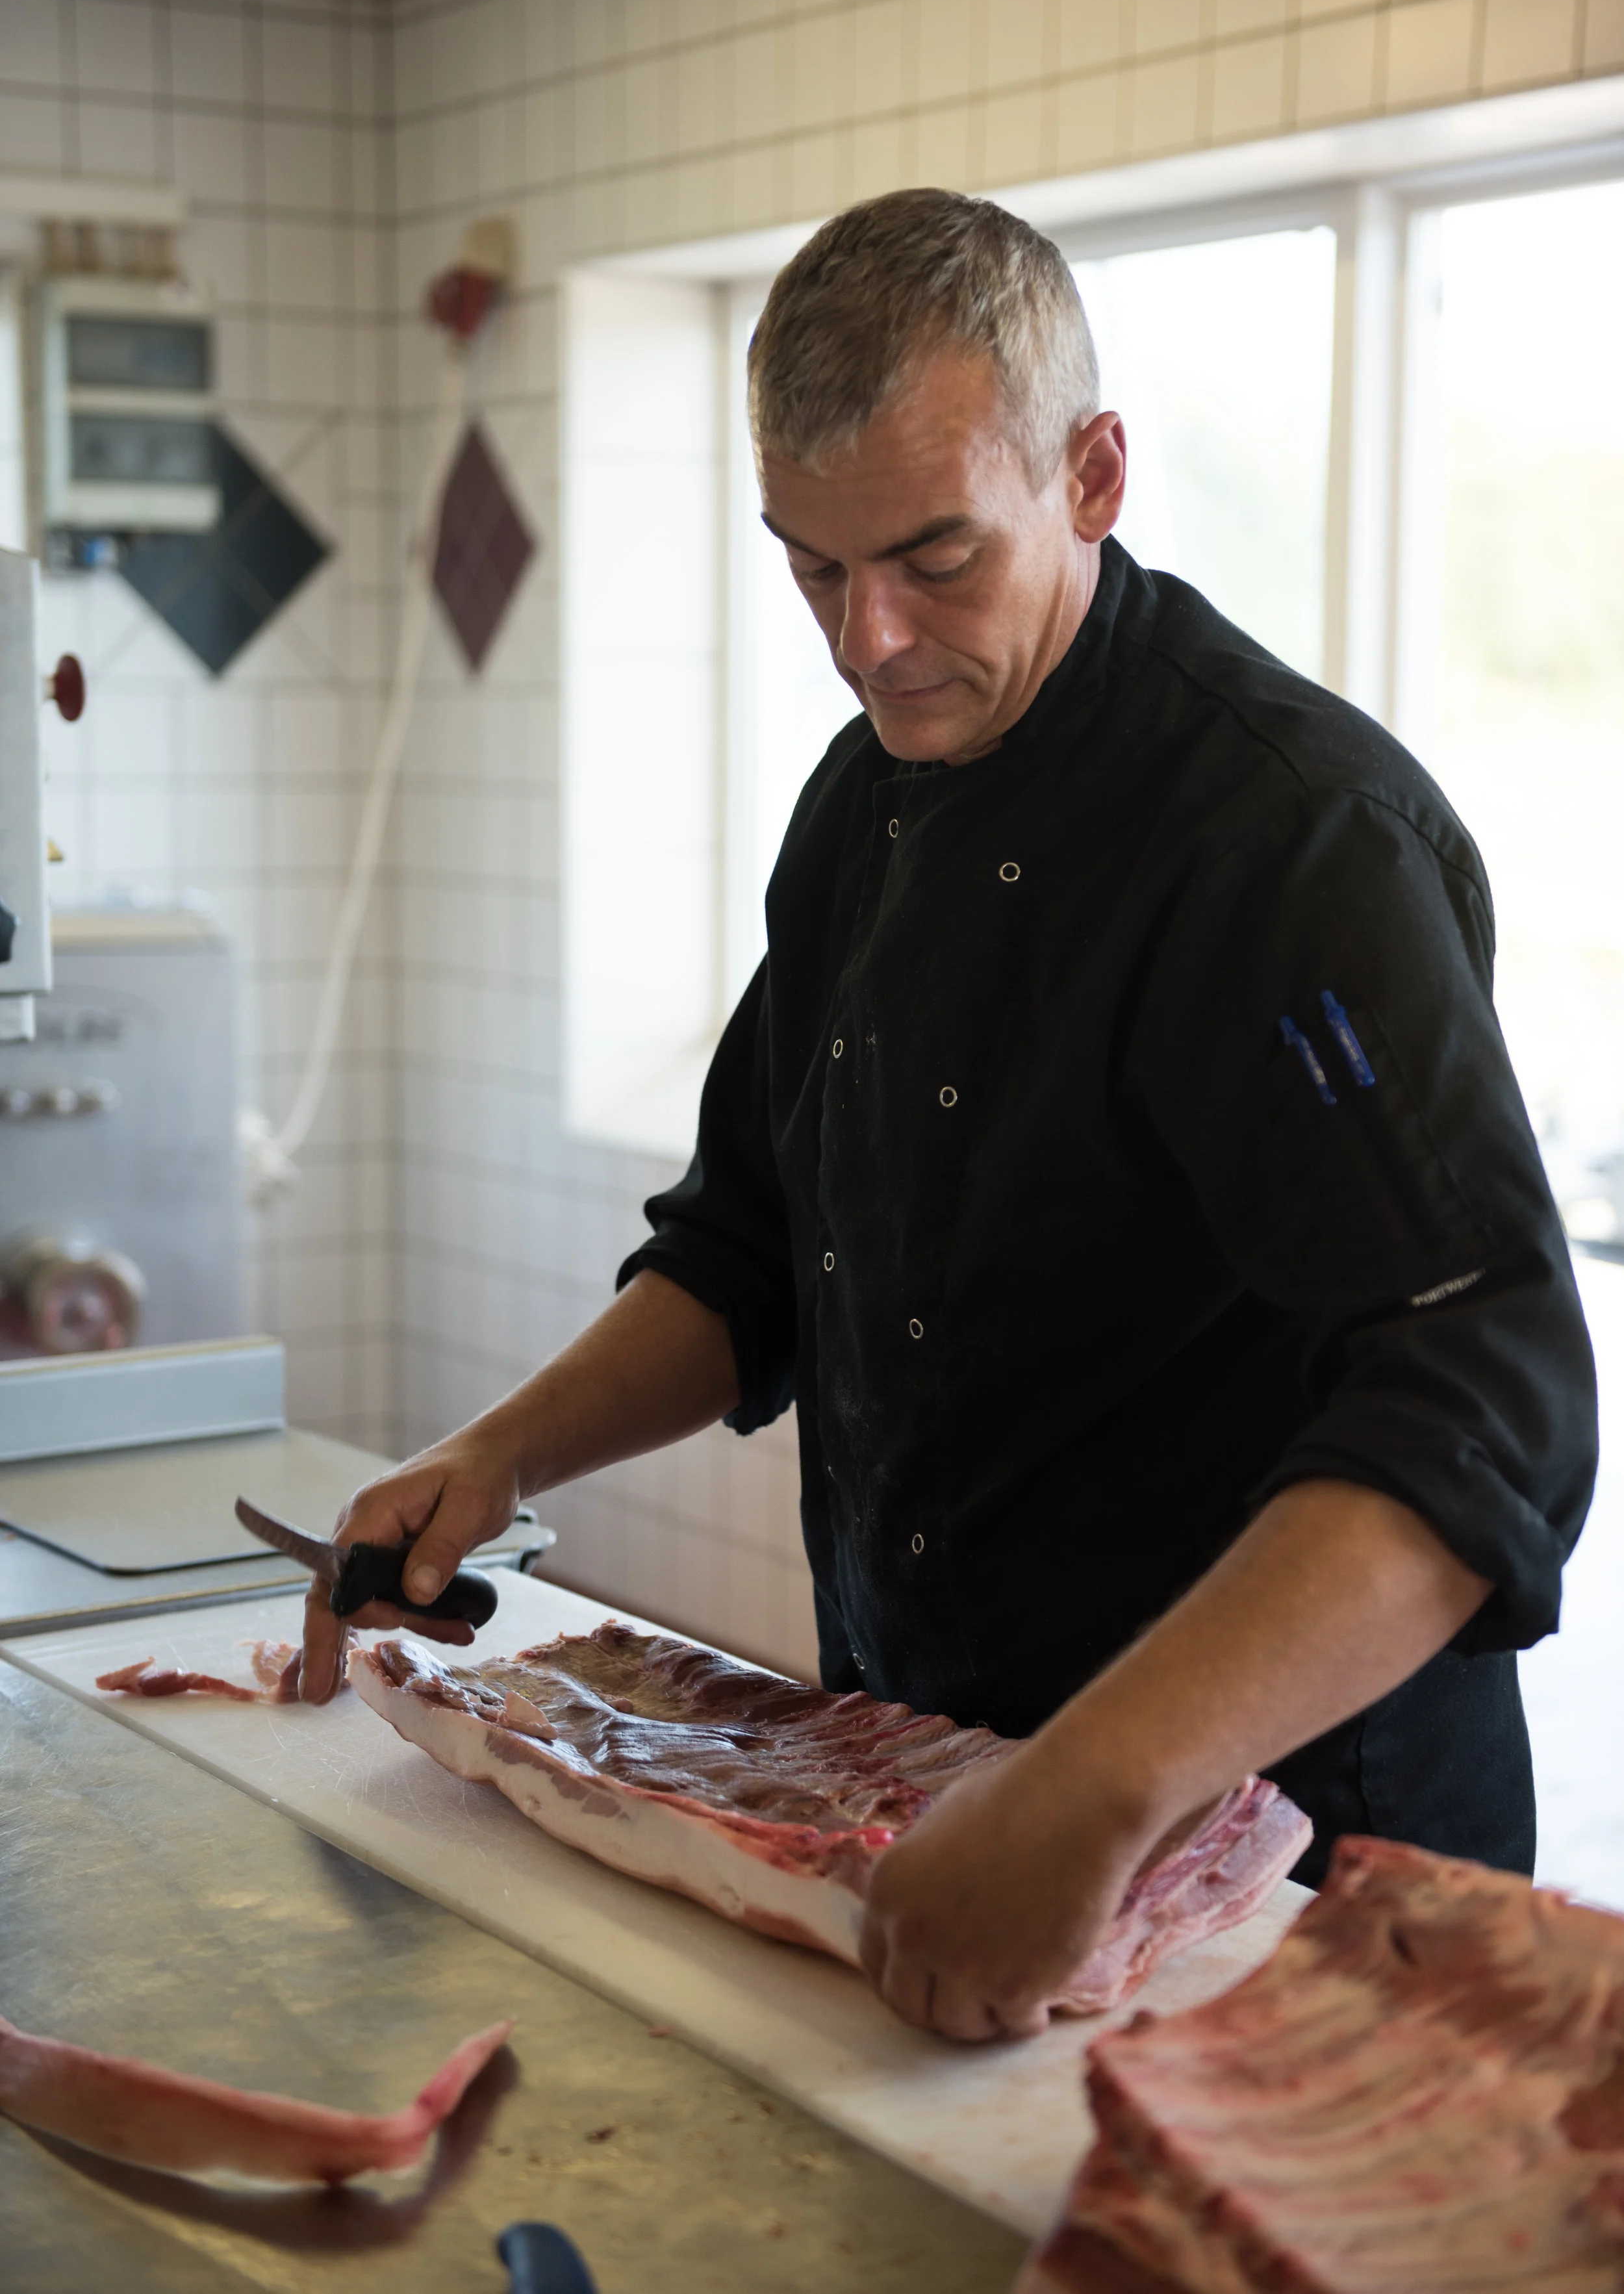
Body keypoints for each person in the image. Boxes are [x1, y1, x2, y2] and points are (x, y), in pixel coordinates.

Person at [300, 188, 1597, 2044]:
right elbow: (748, 1251)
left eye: (931, 559)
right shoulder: (864, 804)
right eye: (814, 571)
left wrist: (1091, 1786)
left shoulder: (1288, 843)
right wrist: (498, 1460)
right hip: (927, 1773)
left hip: (1294, 1839)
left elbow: (1482, 1402)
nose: (871, 639)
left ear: (1090, 473)